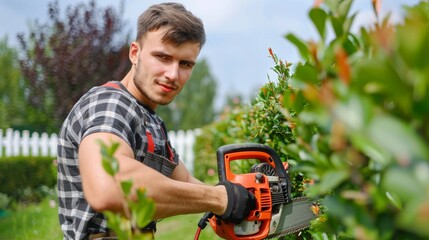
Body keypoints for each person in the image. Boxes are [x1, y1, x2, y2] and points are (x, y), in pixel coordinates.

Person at [57, 2, 255, 240]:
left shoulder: (151, 121)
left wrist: (240, 199)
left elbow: (187, 182)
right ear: (134, 53)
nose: (173, 74)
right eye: (162, 57)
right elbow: (108, 187)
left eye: (185, 64)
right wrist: (217, 199)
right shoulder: (110, 104)